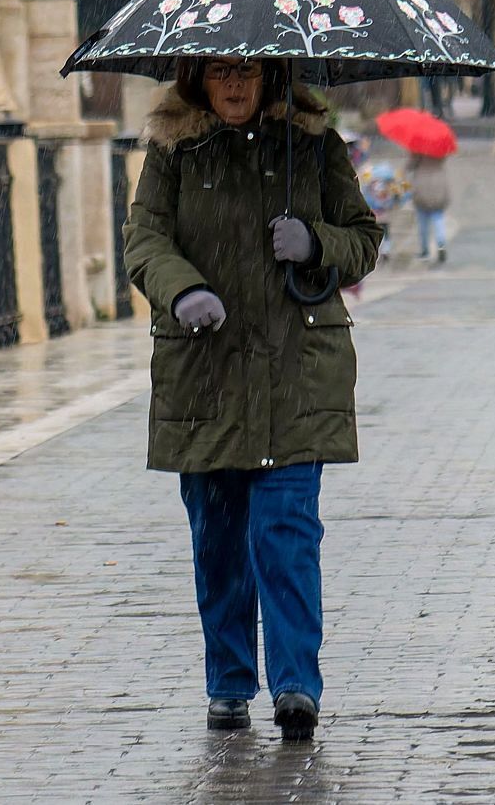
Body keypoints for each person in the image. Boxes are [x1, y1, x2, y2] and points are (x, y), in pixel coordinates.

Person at [122, 56, 381, 742]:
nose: (234, 84)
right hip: (203, 372)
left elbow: (363, 239)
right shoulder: (172, 152)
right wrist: (182, 290)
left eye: (247, 71)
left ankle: (296, 684)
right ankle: (229, 683)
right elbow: (144, 239)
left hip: (297, 369)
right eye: (217, 71)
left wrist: (317, 242)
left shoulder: (313, 148)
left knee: (286, 532)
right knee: (219, 538)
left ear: (272, 76)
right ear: (195, 79)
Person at [407, 152, 451, 262]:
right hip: (438, 182)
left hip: (422, 183)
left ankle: (425, 250)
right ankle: (441, 244)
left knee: (423, 222)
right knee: (438, 217)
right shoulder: (439, 150)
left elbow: (409, 166)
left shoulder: (417, 151)